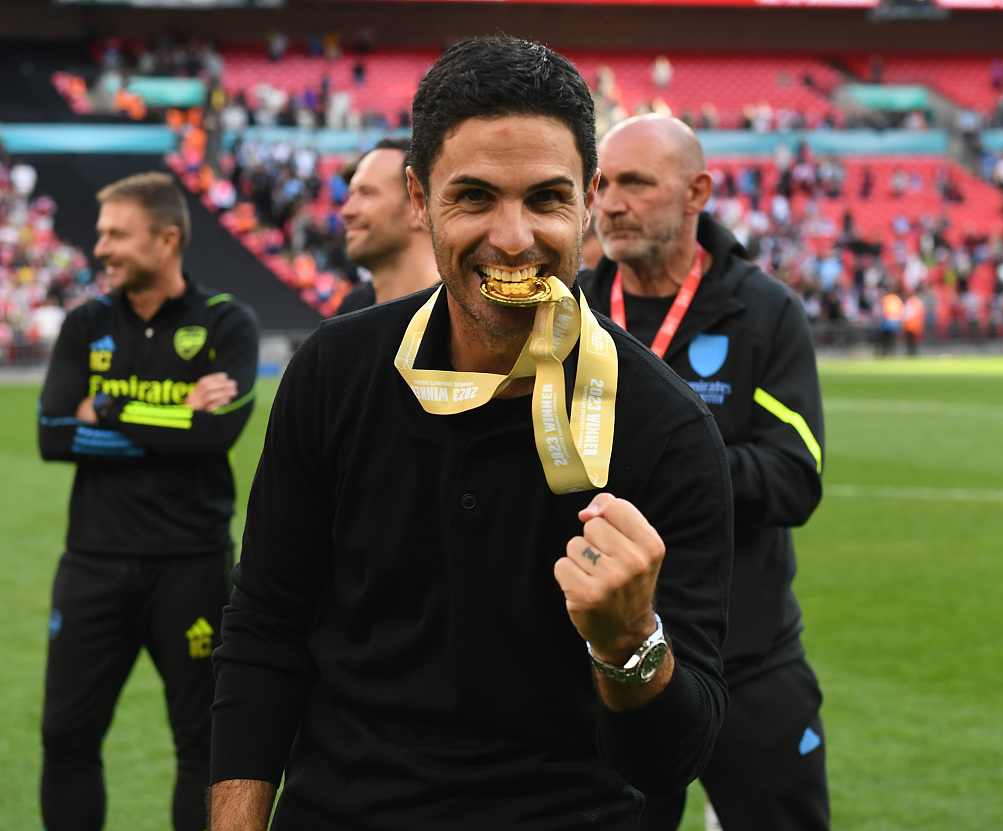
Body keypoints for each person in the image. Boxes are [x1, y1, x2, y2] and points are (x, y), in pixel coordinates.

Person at [209, 36, 733, 831]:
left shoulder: (668, 429)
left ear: (589, 200)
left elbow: (668, 761)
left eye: (548, 199)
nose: (515, 237)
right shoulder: (335, 371)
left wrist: (630, 644)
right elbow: (265, 631)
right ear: (420, 200)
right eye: (475, 197)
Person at [579, 114, 828, 831]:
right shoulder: (575, 312)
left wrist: (673, 460)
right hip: (614, 660)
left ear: (697, 193)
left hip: (747, 658)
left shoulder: (763, 310)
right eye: (602, 184)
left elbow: (795, 474)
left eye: (636, 183)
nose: (611, 203)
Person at [37, 171, 260, 831]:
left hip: (190, 566)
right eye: (101, 233)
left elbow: (216, 432)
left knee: (202, 746)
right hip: (93, 565)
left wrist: (104, 410)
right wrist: (170, 420)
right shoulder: (85, 324)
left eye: (115, 233)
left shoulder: (226, 322)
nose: (100, 246)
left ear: (167, 238)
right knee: (65, 737)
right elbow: (53, 435)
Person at [337, 136, 440, 313]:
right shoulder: (353, 309)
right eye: (351, 194)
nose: (347, 211)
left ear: (419, 205)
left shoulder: (456, 317)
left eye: (367, 193)